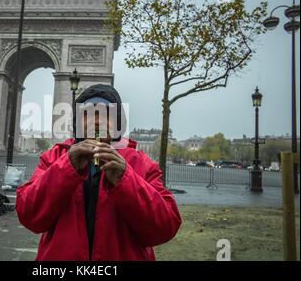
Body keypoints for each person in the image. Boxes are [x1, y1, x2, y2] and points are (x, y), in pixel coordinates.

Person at [16, 84, 182, 261]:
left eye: (106, 114)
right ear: (78, 122)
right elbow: (29, 215)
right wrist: (66, 168)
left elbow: (164, 228)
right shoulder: (54, 158)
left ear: (117, 123)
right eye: (87, 114)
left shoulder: (142, 164)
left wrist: (126, 179)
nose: (97, 121)